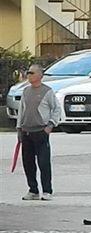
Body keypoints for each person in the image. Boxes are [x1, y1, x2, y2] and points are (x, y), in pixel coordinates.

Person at [16, 64, 61, 201]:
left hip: (41, 131)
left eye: (32, 73)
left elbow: (57, 109)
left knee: (43, 162)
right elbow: (21, 111)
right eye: (28, 73)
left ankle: (47, 190)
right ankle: (33, 190)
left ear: (40, 75)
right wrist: (19, 128)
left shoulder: (47, 91)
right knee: (28, 163)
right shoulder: (25, 91)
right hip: (26, 131)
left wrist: (50, 125)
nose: (29, 75)